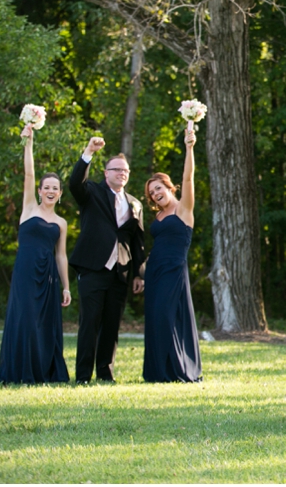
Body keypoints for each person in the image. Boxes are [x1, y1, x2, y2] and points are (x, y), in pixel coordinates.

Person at [69, 136, 146, 383]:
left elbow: (138, 241)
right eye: (117, 170)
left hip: (120, 272)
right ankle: (82, 376)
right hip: (93, 267)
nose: (122, 174)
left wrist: (138, 273)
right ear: (106, 173)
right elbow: (74, 183)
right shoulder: (92, 192)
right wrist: (88, 153)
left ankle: (105, 373)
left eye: (125, 171)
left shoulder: (135, 203)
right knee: (89, 323)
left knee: (111, 325)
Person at [0, 125, 71, 384]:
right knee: (26, 318)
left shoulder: (61, 223)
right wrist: (29, 142)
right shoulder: (28, 209)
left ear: (60, 193)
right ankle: (20, 371)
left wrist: (66, 287)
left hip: (49, 275)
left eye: (56, 188)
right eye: (46, 187)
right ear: (40, 191)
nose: (51, 191)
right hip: (26, 272)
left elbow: (61, 256)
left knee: (44, 322)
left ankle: (43, 370)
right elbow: (29, 173)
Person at [142, 128, 202, 383]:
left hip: (174, 270)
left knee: (168, 316)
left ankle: (177, 369)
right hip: (154, 271)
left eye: (158, 189)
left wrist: (189, 148)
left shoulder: (183, 209)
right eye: (151, 193)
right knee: (155, 317)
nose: (155, 194)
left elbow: (188, 179)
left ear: (168, 187)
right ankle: (157, 372)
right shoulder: (158, 216)